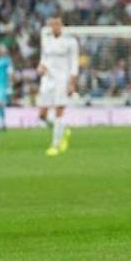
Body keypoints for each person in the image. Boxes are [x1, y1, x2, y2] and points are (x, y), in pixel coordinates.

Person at [37, 16, 79, 156]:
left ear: (61, 26)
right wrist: (40, 67)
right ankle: (63, 130)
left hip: (62, 80)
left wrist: (72, 83)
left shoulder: (70, 42)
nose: (55, 27)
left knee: (58, 111)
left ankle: (55, 145)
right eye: (52, 25)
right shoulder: (46, 40)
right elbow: (44, 58)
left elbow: (74, 64)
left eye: (57, 24)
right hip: (47, 80)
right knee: (42, 114)